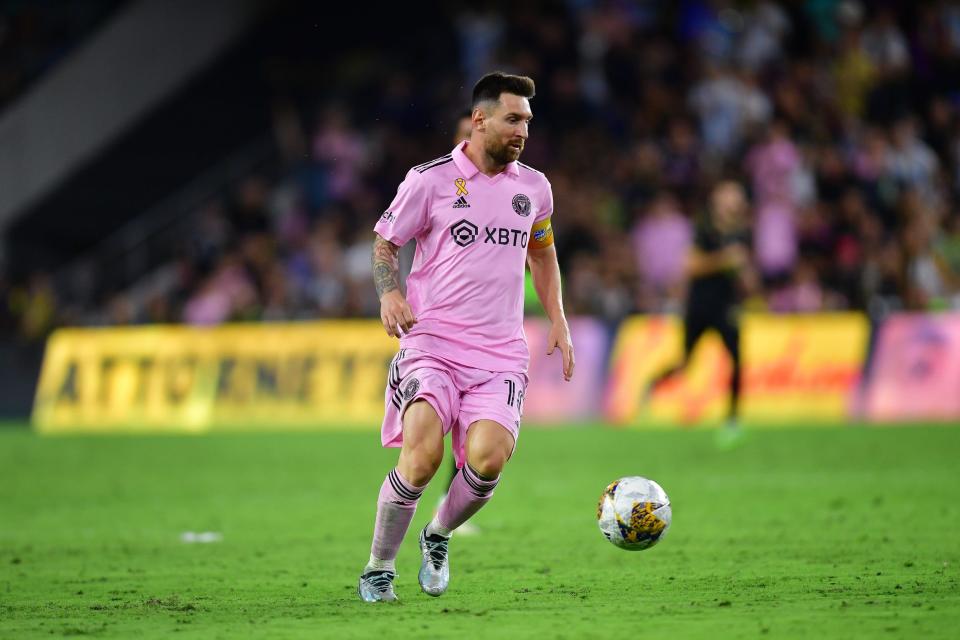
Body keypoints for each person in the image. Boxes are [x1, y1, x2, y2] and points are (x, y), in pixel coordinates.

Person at [358, 72, 574, 602]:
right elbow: (385, 243)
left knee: (488, 459)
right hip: (431, 342)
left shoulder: (535, 189)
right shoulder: (428, 181)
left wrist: (559, 318)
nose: (523, 129)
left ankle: (438, 534)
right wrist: (389, 295)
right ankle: (379, 567)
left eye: (527, 120)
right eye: (513, 118)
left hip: (500, 352)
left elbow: (541, 253)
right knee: (424, 455)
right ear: (480, 119)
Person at [644, 181, 753, 444]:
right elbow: (690, 266)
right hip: (699, 306)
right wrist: (725, 259)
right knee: (685, 362)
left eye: (736, 197)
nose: (733, 201)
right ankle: (651, 386)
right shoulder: (704, 230)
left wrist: (746, 278)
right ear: (717, 201)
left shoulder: (742, 234)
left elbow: (744, 274)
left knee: (737, 359)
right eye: (729, 196)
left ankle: (733, 420)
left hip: (726, 307)